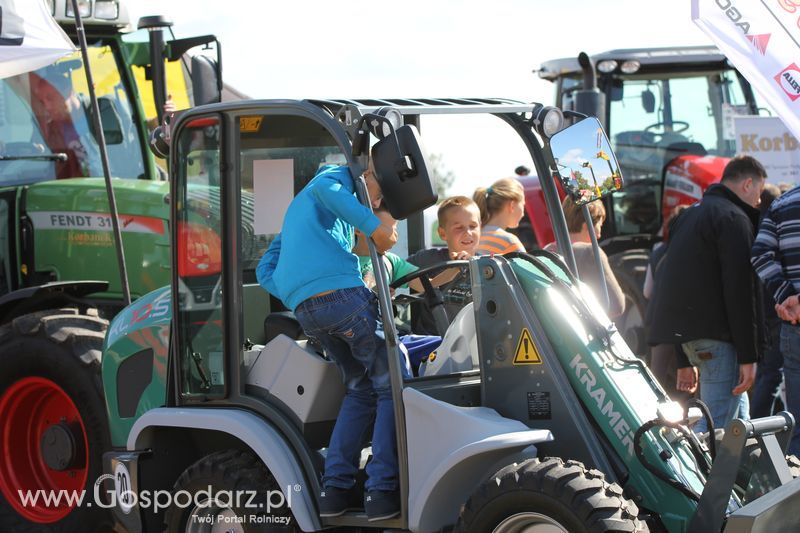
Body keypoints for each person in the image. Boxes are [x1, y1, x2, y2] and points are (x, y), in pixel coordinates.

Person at [255, 162, 401, 520]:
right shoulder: (332, 180)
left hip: (309, 314)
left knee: (360, 389)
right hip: (344, 300)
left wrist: (298, 295)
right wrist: (375, 228)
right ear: (367, 172)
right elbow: (327, 189)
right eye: (378, 193)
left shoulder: (298, 213)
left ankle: (334, 491)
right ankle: (381, 491)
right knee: (393, 384)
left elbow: (264, 270)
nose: (374, 202)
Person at [649, 155, 766, 434]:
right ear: (748, 184)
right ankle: (699, 478)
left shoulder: (690, 216)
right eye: (759, 193)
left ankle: (738, 477)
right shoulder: (734, 219)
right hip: (719, 341)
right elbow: (740, 291)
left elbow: (673, 286)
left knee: (740, 423)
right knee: (714, 430)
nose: (759, 202)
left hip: (693, 338)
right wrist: (750, 357)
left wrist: (683, 357)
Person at [352, 206, 454, 373]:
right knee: (398, 361)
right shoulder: (346, 261)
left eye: (395, 229)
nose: (394, 236)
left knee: (447, 345)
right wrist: (377, 293)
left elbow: (427, 284)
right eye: (387, 229)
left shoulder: (391, 262)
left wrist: (454, 269)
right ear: (358, 229)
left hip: (392, 335)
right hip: (364, 337)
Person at [751, 182, 800, 455]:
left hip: (793, 327)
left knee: (798, 424)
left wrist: (787, 296)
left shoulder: (782, 204)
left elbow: (759, 254)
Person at [407, 196, 479, 336]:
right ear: (442, 233)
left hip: (473, 344)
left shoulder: (486, 266)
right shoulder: (425, 259)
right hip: (432, 345)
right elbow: (395, 270)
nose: (468, 233)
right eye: (459, 227)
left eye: (473, 226)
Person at [546, 196, 625, 319]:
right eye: (600, 226)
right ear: (586, 225)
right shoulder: (590, 252)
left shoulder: (546, 251)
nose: (599, 235)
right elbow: (617, 306)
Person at [643, 205, 691, 404]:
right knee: (686, 391)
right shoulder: (689, 252)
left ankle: (657, 429)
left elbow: (647, 292)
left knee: (657, 388)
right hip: (682, 331)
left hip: (656, 326)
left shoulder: (658, 253)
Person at [750, 183, 784, 420]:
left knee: (766, 373)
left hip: (756, 310)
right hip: (776, 309)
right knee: (771, 374)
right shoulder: (775, 229)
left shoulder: (749, 226)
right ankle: (759, 425)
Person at [473, 178, 527, 255]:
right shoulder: (509, 242)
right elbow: (527, 266)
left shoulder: (474, 237)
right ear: (512, 205)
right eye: (523, 205)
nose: (523, 214)